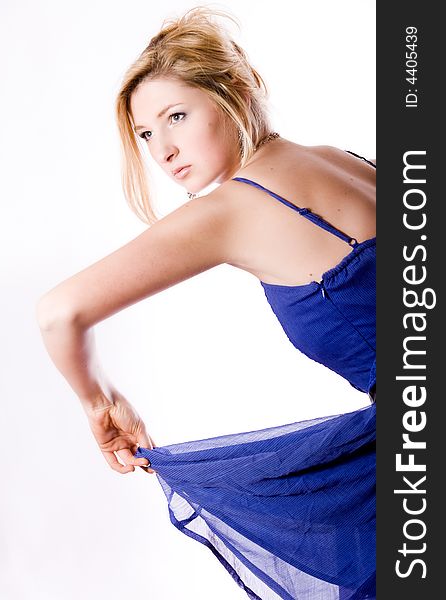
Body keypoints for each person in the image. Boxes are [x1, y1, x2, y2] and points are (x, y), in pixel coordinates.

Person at [37, 6, 376, 599]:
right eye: (146, 134)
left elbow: (60, 312)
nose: (163, 150)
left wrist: (101, 403)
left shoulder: (233, 209)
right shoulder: (345, 161)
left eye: (176, 116)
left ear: (235, 93)